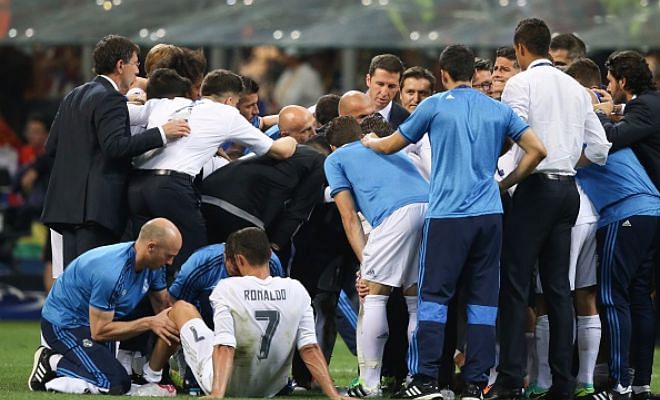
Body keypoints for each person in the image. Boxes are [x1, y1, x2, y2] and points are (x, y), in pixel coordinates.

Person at [361, 44, 547, 400]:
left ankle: (427, 380)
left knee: (434, 298)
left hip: (448, 216)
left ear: (443, 74)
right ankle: (476, 383)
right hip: (490, 216)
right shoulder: (497, 109)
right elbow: (538, 149)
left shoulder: (433, 105)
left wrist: (369, 139)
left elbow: (389, 146)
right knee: (481, 302)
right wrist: (503, 183)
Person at [489, 18, 611, 400]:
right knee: (559, 289)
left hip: (533, 188)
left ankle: (510, 379)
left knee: (515, 284)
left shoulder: (519, 83)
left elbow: (513, 133)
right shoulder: (575, 88)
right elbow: (600, 149)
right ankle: (563, 383)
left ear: (520, 49)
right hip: (568, 191)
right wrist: (566, 160)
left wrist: (505, 181)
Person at [143, 227, 350, 399]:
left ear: (239, 260)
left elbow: (225, 344)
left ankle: (151, 378)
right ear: (269, 255)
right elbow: (309, 347)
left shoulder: (226, 288)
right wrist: (334, 396)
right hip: (271, 389)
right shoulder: (297, 289)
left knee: (180, 309)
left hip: (227, 383)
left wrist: (216, 394)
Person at [41, 35, 190, 267]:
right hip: (95, 212)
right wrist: (162, 133)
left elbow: (51, 147)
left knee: (71, 285)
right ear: (121, 66)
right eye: (136, 63)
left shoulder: (73, 95)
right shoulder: (111, 98)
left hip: (63, 210)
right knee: (94, 283)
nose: (138, 69)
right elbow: (115, 147)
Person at [129, 69, 297, 270]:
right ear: (229, 101)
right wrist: (291, 137)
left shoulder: (170, 103)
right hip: (170, 189)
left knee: (143, 259)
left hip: (136, 186)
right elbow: (279, 151)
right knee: (194, 258)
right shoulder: (227, 113)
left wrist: (135, 92)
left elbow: (127, 112)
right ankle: (184, 301)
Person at [324, 116, 428, 397]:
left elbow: (349, 218)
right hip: (428, 210)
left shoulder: (335, 159)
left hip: (396, 215)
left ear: (333, 146)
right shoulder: (379, 144)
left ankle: (368, 384)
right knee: (415, 300)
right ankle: (417, 378)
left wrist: (365, 263)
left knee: (373, 294)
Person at [28, 218, 182, 395]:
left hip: (94, 320)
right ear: (151, 247)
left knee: (117, 379)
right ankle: (51, 362)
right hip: (65, 324)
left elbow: (162, 306)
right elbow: (99, 331)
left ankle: (81, 374)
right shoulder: (112, 273)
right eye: (169, 256)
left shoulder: (154, 265)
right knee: (114, 383)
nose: (170, 262)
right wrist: (149, 323)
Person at [577, 148, 660, 400]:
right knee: (640, 297)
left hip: (624, 212)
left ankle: (619, 386)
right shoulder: (609, 133)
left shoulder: (581, 135)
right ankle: (640, 387)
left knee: (612, 298)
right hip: (653, 211)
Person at [200, 138, 327, 251]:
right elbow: (299, 209)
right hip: (241, 210)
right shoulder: (321, 161)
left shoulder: (282, 147)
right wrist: (275, 245)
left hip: (206, 196)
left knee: (205, 256)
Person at [595, 50, 660, 190]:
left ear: (623, 82)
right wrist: (614, 108)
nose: (608, 88)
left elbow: (611, 138)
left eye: (610, 81)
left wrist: (600, 112)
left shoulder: (644, 107)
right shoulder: (653, 100)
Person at [365, 54, 409, 129]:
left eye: (391, 86)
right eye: (380, 84)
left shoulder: (407, 120)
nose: (384, 93)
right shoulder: (347, 110)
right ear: (368, 80)